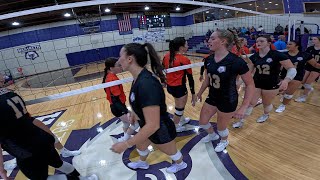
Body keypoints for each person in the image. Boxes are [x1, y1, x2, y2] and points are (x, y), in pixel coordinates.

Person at [0, 75, 97, 180]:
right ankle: (85, 178)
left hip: (26, 151)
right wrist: (52, 137)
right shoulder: (11, 94)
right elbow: (31, 120)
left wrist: (2, 171)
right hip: (42, 139)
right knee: (59, 164)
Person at [111, 43, 187, 173]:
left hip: (159, 128)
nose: (118, 60)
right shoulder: (138, 78)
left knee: (171, 152)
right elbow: (139, 101)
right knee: (141, 145)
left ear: (130, 59)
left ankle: (181, 164)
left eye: (120, 56)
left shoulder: (146, 84)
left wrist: (125, 144)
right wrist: (134, 113)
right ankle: (142, 163)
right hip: (147, 125)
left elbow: (153, 126)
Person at [196, 29, 255, 152]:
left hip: (228, 99)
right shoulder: (208, 59)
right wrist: (200, 92)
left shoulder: (236, 61)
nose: (209, 41)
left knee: (221, 128)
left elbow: (250, 84)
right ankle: (212, 135)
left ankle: (224, 140)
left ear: (223, 41)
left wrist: (244, 106)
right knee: (202, 122)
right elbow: (207, 78)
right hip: (212, 97)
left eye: (213, 38)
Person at [233, 35, 296, 128]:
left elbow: (292, 69)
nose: (258, 43)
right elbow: (248, 72)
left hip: (271, 84)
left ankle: (266, 114)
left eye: (262, 41)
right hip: (256, 83)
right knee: (250, 103)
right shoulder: (254, 56)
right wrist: (240, 82)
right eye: (257, 41)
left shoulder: (277, 55)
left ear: (269, 43)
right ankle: (241, 121)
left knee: (266, 104)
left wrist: (286, 80)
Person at [162, 37, 197, 132]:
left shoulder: (166, 56)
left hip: (170, 87)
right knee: (180, 107)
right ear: (181, 48)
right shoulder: (184, 60)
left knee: (178, 103)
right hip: (179, 88)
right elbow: (190, 78)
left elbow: (162, 69)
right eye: (186, 44)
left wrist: (163, 81)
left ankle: (181, 119)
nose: (188, 46)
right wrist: (193, 94)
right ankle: (175, 126)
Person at [275, 41, 320, 112]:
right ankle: (283, 96)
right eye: (287, 44)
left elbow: (315, 64)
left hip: (297, 76)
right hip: (284, 76)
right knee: (280, 91)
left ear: (297, 46)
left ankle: (283, 105)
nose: (287, 45)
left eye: (290, 44)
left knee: (288, 94)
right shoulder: (283, 54)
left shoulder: (305, 55)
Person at [102, 57, 139, 142]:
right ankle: (124, 139)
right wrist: (125, 111)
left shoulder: (109, 76)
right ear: (111, 68)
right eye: (118, 65)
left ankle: (127, 138)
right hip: (118, 107)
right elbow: (115, 100)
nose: (120, 66)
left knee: (126, 123)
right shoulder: (111, 79)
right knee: (136, 122)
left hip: (116, 107)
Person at [295, 36, 320, 102]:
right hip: (308, 66)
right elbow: (305, 56)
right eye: (312, 39)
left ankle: (303, 97)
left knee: (308, 82)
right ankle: (309, 88)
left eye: (315, 39)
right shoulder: (310, 48)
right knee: (303, 81)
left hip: (317, 67)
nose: (313, 40)